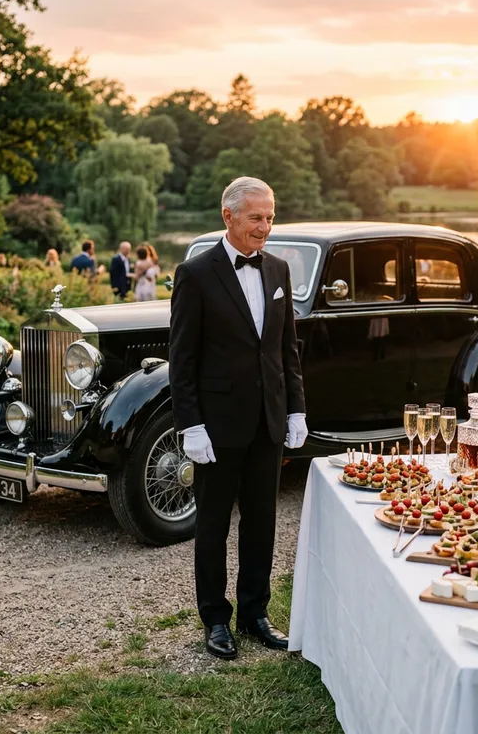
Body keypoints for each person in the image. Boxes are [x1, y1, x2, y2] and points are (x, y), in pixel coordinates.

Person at [169, 176, 307, 660]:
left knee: (262, 524)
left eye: (270, 217)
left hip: (268, 422)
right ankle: (215, 620)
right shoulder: (196, 274)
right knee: (212, 527)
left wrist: (295, 409)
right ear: (228, 217)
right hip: (217, 427)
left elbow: (285, 349)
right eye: (256, 217)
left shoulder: (279, 271)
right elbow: (181, 360)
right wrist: (190, 425)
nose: (265, 227)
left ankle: (255, 614)